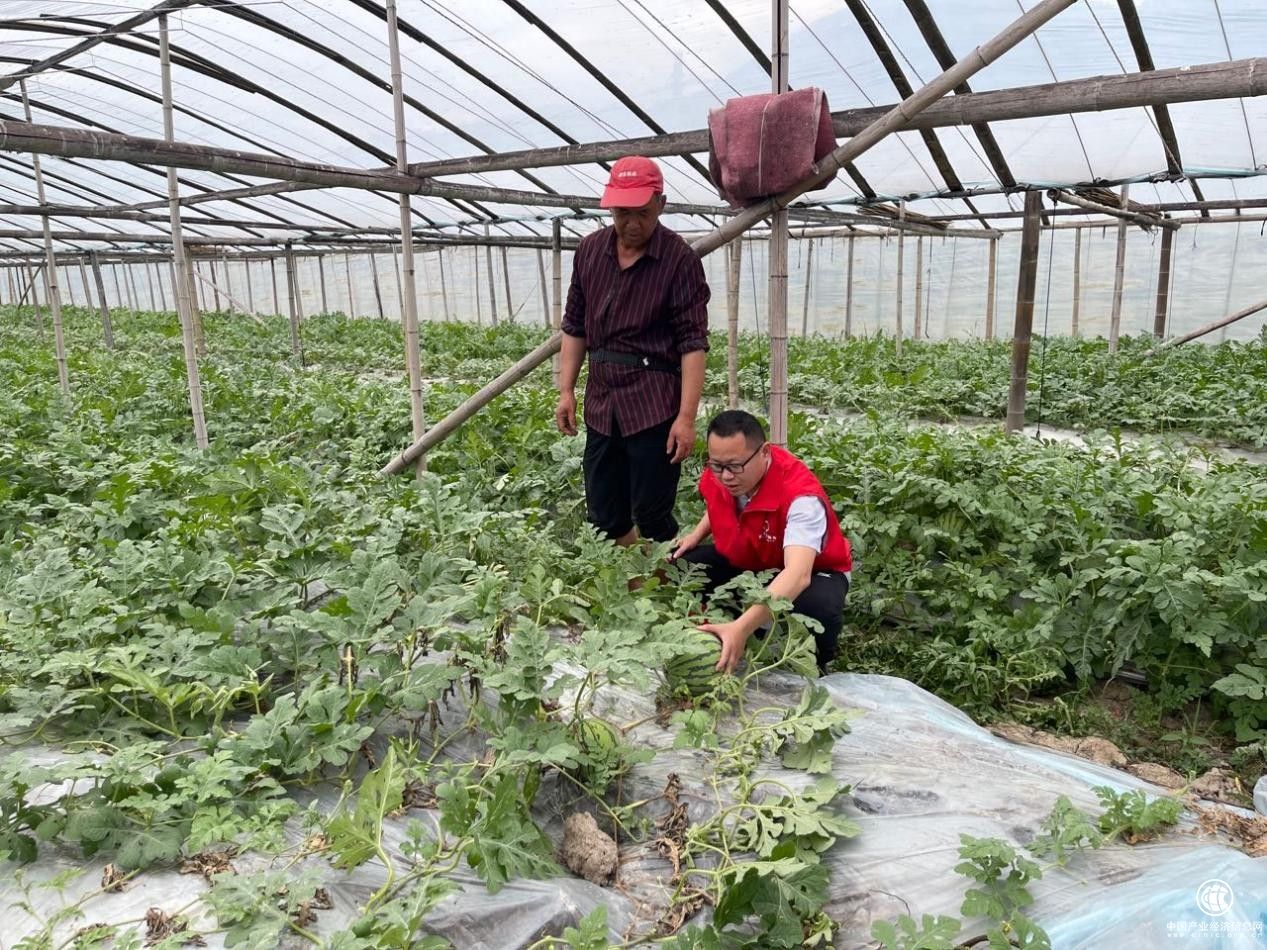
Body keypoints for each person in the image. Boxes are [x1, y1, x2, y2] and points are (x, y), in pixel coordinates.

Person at [555, 156, 711, 547]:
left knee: (652, 512)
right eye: (622, 213)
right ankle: (634, 576)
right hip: (602, 401)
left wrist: (686, 418)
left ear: (661, 204)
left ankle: (664, 578)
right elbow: (574, 326)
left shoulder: (679, 260)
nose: (632, 224)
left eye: (642, 213)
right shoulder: (590, 251)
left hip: (653, 405)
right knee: (604, 513)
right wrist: (566, 389)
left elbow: (693, 343)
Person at [671, 410, 852, 674]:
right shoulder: (726, 474)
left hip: (813, 569)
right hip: (753, 556)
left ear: (765, 452)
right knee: (681, 565)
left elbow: (798, 574)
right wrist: (695, 535)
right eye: (717, 465)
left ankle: (811, 660)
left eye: (734, 466)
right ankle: (718, 631)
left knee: (817, 608)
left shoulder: (801, 498)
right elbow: (718, 504)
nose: (726, 476)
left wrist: (741, 628)